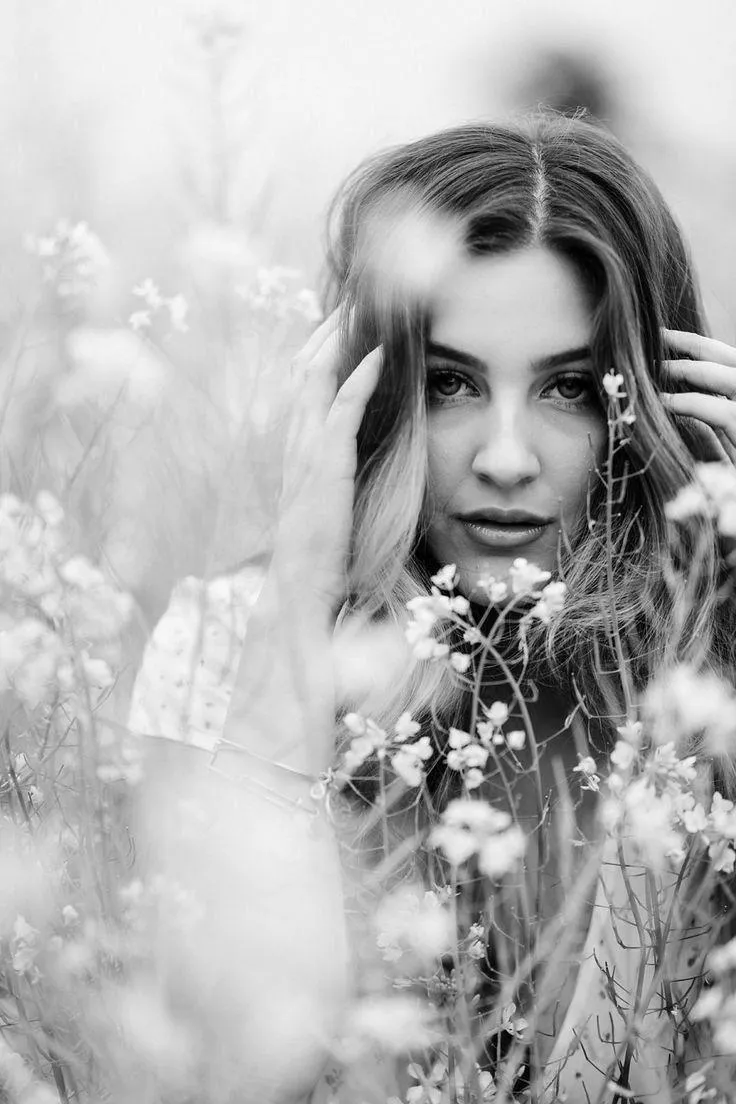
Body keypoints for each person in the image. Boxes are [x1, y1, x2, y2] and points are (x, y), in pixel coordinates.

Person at [204, 111, 736, 1102]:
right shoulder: (219, 640)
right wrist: (298, 593)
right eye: (447, 384)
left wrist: (709, 587)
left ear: (651, 405)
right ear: (361, 397)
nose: (503, 458)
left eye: (569, 389)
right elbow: (211, 1067)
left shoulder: (713, 671)